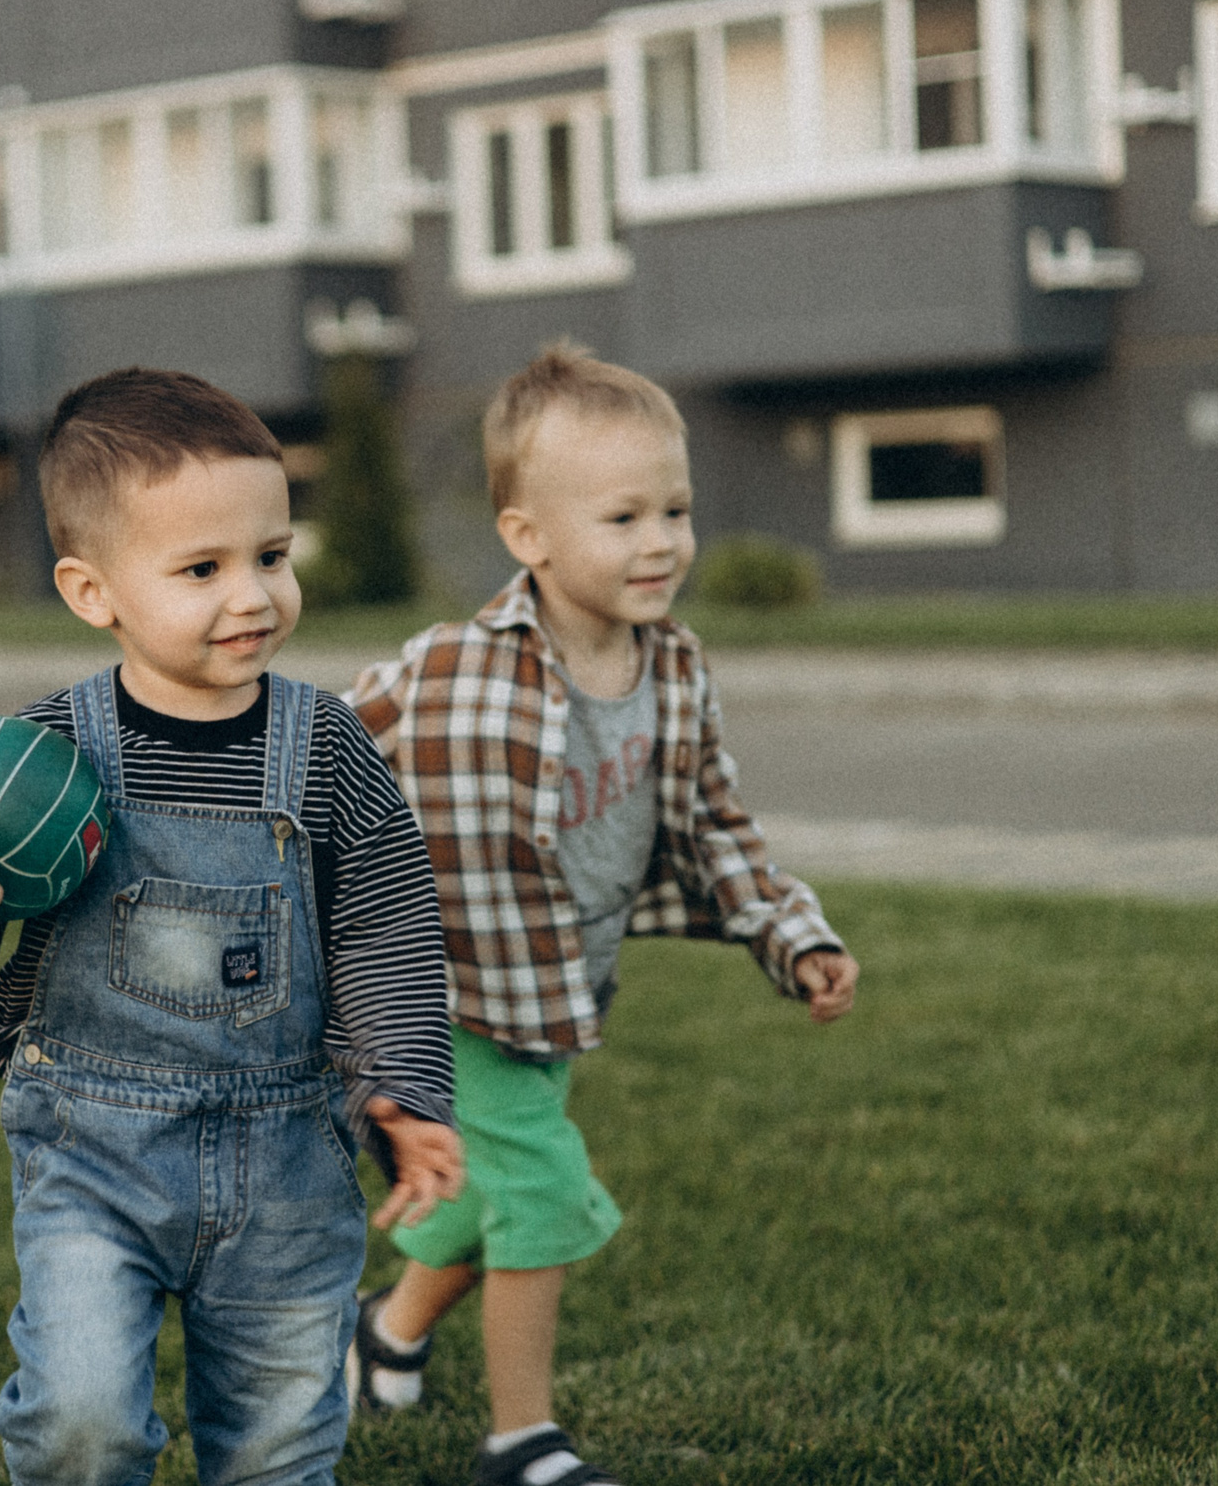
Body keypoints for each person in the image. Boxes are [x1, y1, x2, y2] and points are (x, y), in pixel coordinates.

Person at [0, 367, 466, 1486]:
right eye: (203, 568)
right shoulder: (36, 757)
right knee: (79, 1420)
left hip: (287, 1165)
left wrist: (402, 1091)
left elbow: (385, 925)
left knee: (281, 1446)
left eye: (271, 557)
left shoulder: (327, 748)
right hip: (93, 1154)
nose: (253, 596)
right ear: (93, 591)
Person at [343, 343, 860, 1486]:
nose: (662, 540)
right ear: (528, 536)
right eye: (622, 516)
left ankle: (386, 1332)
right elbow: (318, 747)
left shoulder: (671, 668)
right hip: (448, 996)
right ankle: (521, 1441)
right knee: (540, 1190)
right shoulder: (450, 670)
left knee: (482, 1200)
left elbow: (716, 823)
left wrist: (793, 933)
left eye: (675, 508)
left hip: (560, 992)